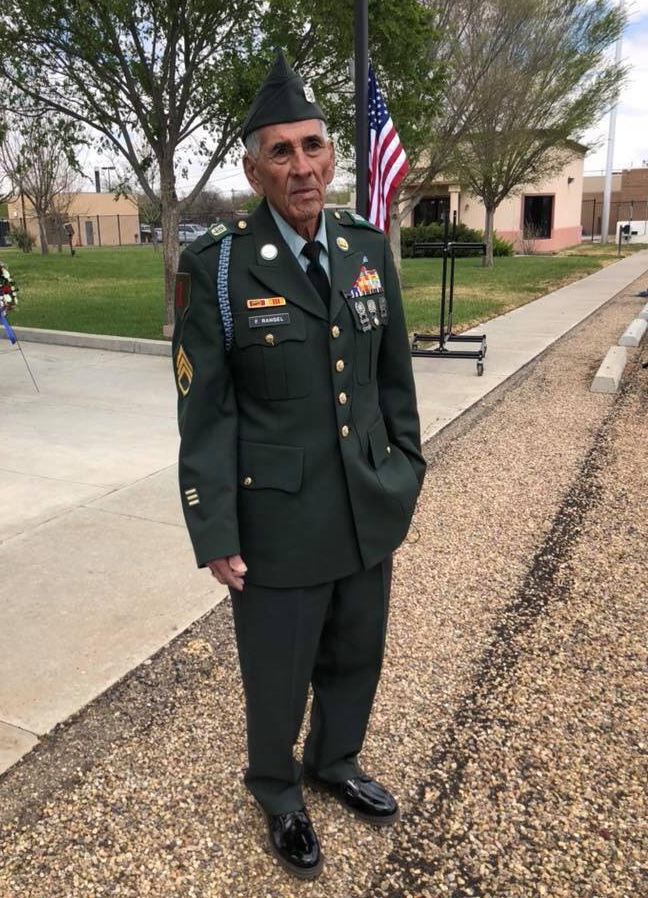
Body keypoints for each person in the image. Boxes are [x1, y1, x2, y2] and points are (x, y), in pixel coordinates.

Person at [172, 52, 425, 880]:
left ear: (332, 154)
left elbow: (394, 380)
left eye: (312, 145)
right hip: (277, 518)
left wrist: (406, 470)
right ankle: (278, 790)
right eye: (280, 152)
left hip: (365, 504)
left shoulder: (364, 247)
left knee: (356, 654)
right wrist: (214, 526)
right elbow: (205, 411)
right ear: (254, 171)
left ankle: (334, 760)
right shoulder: (217, 267)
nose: (302, 165)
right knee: (277, 675)